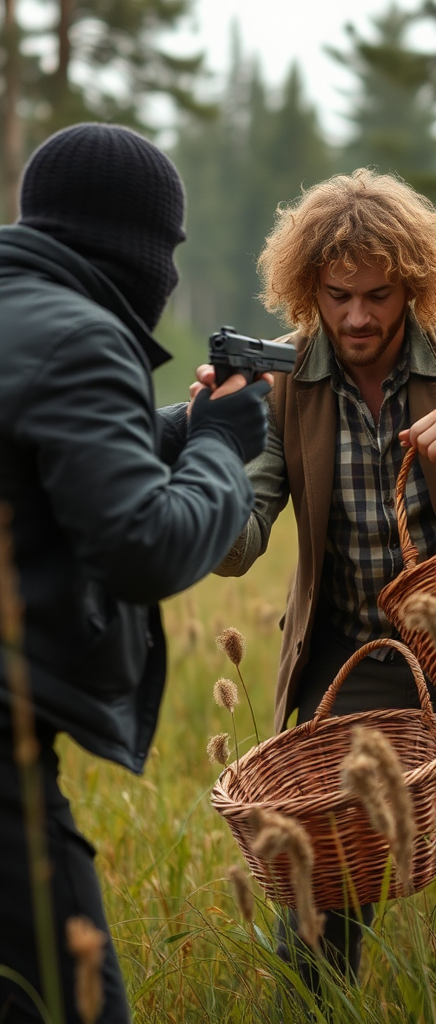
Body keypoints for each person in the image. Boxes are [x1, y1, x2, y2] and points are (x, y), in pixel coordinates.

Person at [212, 168, 436, 989]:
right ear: (309, 288)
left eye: (376, 296)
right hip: (352, 666)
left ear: (411, 284)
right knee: (318, 901)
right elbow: (240, 541)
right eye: (337, 296)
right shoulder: (283, 385)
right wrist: (201, 459)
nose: (356, 316)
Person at [0, 123, 272, 1023]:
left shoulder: (19, 310)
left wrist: (178, 425)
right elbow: (144, 545)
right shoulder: (83, 334)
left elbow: (39, 455)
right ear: (139, 248)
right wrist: (225, 449)